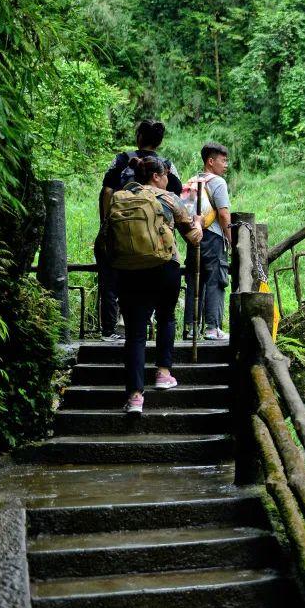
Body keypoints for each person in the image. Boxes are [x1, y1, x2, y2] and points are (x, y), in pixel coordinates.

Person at [112, 155, 202, 413]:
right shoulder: (169, 199)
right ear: (156, 176)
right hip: (165, 267)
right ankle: (163, 374)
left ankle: (135, 397)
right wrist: (197, 224)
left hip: (130, 270)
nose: (167, 180)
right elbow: (194, 239)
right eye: (165, 176)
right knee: (165, 318)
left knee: (136, 333)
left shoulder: (123, 196)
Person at [94, 120, 183, 342]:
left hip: (120, 228)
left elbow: (106, 192)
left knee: (110, 278)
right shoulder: (166, 165)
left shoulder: (122, 159)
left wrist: (106, 223)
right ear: (159, 141)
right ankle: (147, 325)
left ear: (139, 137)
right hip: (155, 236)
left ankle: (109, 330)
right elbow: (176, 195)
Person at [182, 141, 232, 340]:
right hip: (213, 237)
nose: (225, 164)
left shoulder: (192, 181)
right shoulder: (218, 182)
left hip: (194, 237)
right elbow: (224, 214)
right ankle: (212, 328)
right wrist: (231, 240)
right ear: (210, 161)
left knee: (195, 280)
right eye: (223, 160)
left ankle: (190, 328)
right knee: (215, 279)